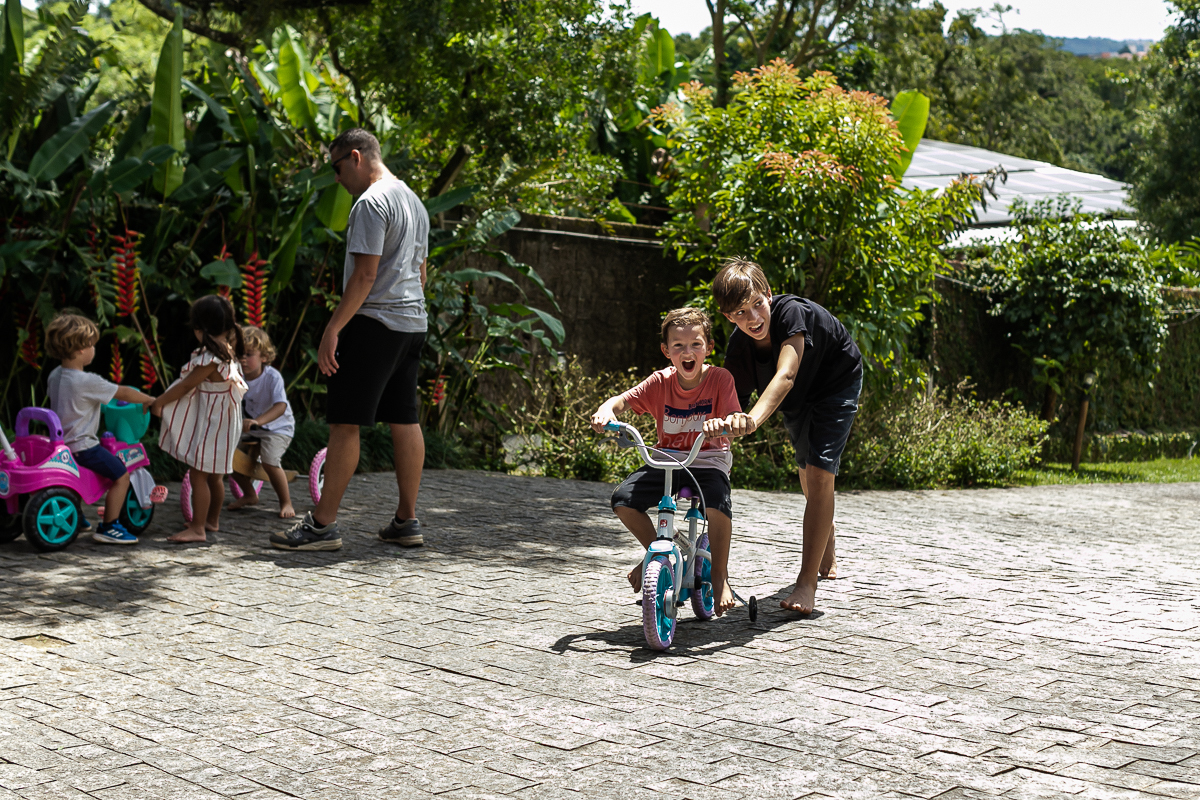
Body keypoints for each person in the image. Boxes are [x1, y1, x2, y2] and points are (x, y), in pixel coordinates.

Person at [269, 127, 430, 552]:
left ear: (356, 157)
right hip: (413, 323)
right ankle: (406, 520)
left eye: (338, 168)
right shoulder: (413, 200)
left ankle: (322, 526)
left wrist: (333, 327)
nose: (336, 179)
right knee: (405, 418)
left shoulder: (371, 203)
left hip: (374, 323)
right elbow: (422, 273)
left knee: (345, 421)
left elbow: (365, 274)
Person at [714, 258, 862, 615]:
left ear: (768, 294)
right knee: (806, 468)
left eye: (757, 305)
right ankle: (825, 531)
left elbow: (785, 375)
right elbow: (729, 400)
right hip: (798, 399)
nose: (753, 318)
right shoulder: (740, 346)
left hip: (835, 382)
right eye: (740, 313)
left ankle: (806, 584)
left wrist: (750, 421)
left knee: (820, 472)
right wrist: (726, 422)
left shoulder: (790, 313)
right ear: (728, 317)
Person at [591, 308, 741, 616]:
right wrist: (608, 410)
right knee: (623, 500)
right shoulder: (660, 382)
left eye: (695, 345)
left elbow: (736, 418)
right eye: (679, 346)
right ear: (666, 351)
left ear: (708, 348)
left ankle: (719, 575)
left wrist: (724, 424)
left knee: (716, 504)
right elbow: (621, 400)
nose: (688, 352)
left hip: (707, 461)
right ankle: (658, 556)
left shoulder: (719, 379)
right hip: (667, 462)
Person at [45, 313, 155, 545]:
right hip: (84, 446)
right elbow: (122, 392)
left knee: (72, 480)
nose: (94, 349)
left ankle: (78, 517)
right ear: (80, 350)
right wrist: (147, 399)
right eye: (92, 345)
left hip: (60, 446)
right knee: (121, 475)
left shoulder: (55, 376)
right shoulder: (87, 381)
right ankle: (109, 526)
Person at [151, 295, 248, 544]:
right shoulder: (227, 352)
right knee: (214, 476)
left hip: (215, 423)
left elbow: (184, 387)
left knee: (199, 475)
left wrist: (159, 401)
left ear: (198, 329)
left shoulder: (210, 359)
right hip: (225, 422)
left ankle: (197, 528)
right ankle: (210, 521)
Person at [228, 325, 296, 518]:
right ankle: (249, 494)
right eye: (240, 355)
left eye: (249, 354)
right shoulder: (236, 377)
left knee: (270, 461)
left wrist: (257, 421)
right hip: (253, 428)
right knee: (227, 457)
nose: (243, 359)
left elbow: (280, 406)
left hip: (278, 428)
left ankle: (286, 502)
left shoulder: (272, 377)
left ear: (264, 357)